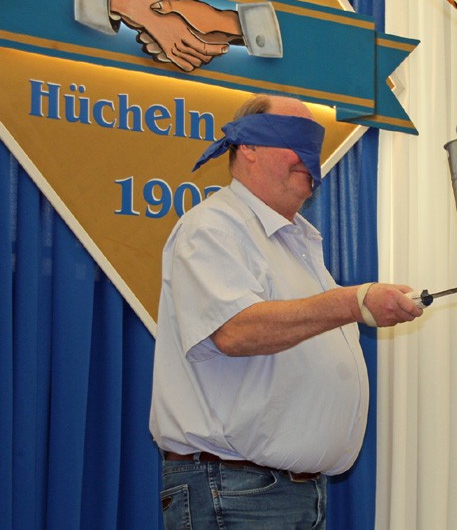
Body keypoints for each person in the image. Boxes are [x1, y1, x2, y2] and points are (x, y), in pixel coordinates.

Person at [149, 93, 424, 529]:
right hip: (235, 492)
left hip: (289, 494)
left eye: (314, 143)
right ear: (248, 146)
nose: (307, 156)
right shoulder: (213, 228)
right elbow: (235, 331)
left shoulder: (298, 244)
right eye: (293, 138)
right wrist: (353, 302)